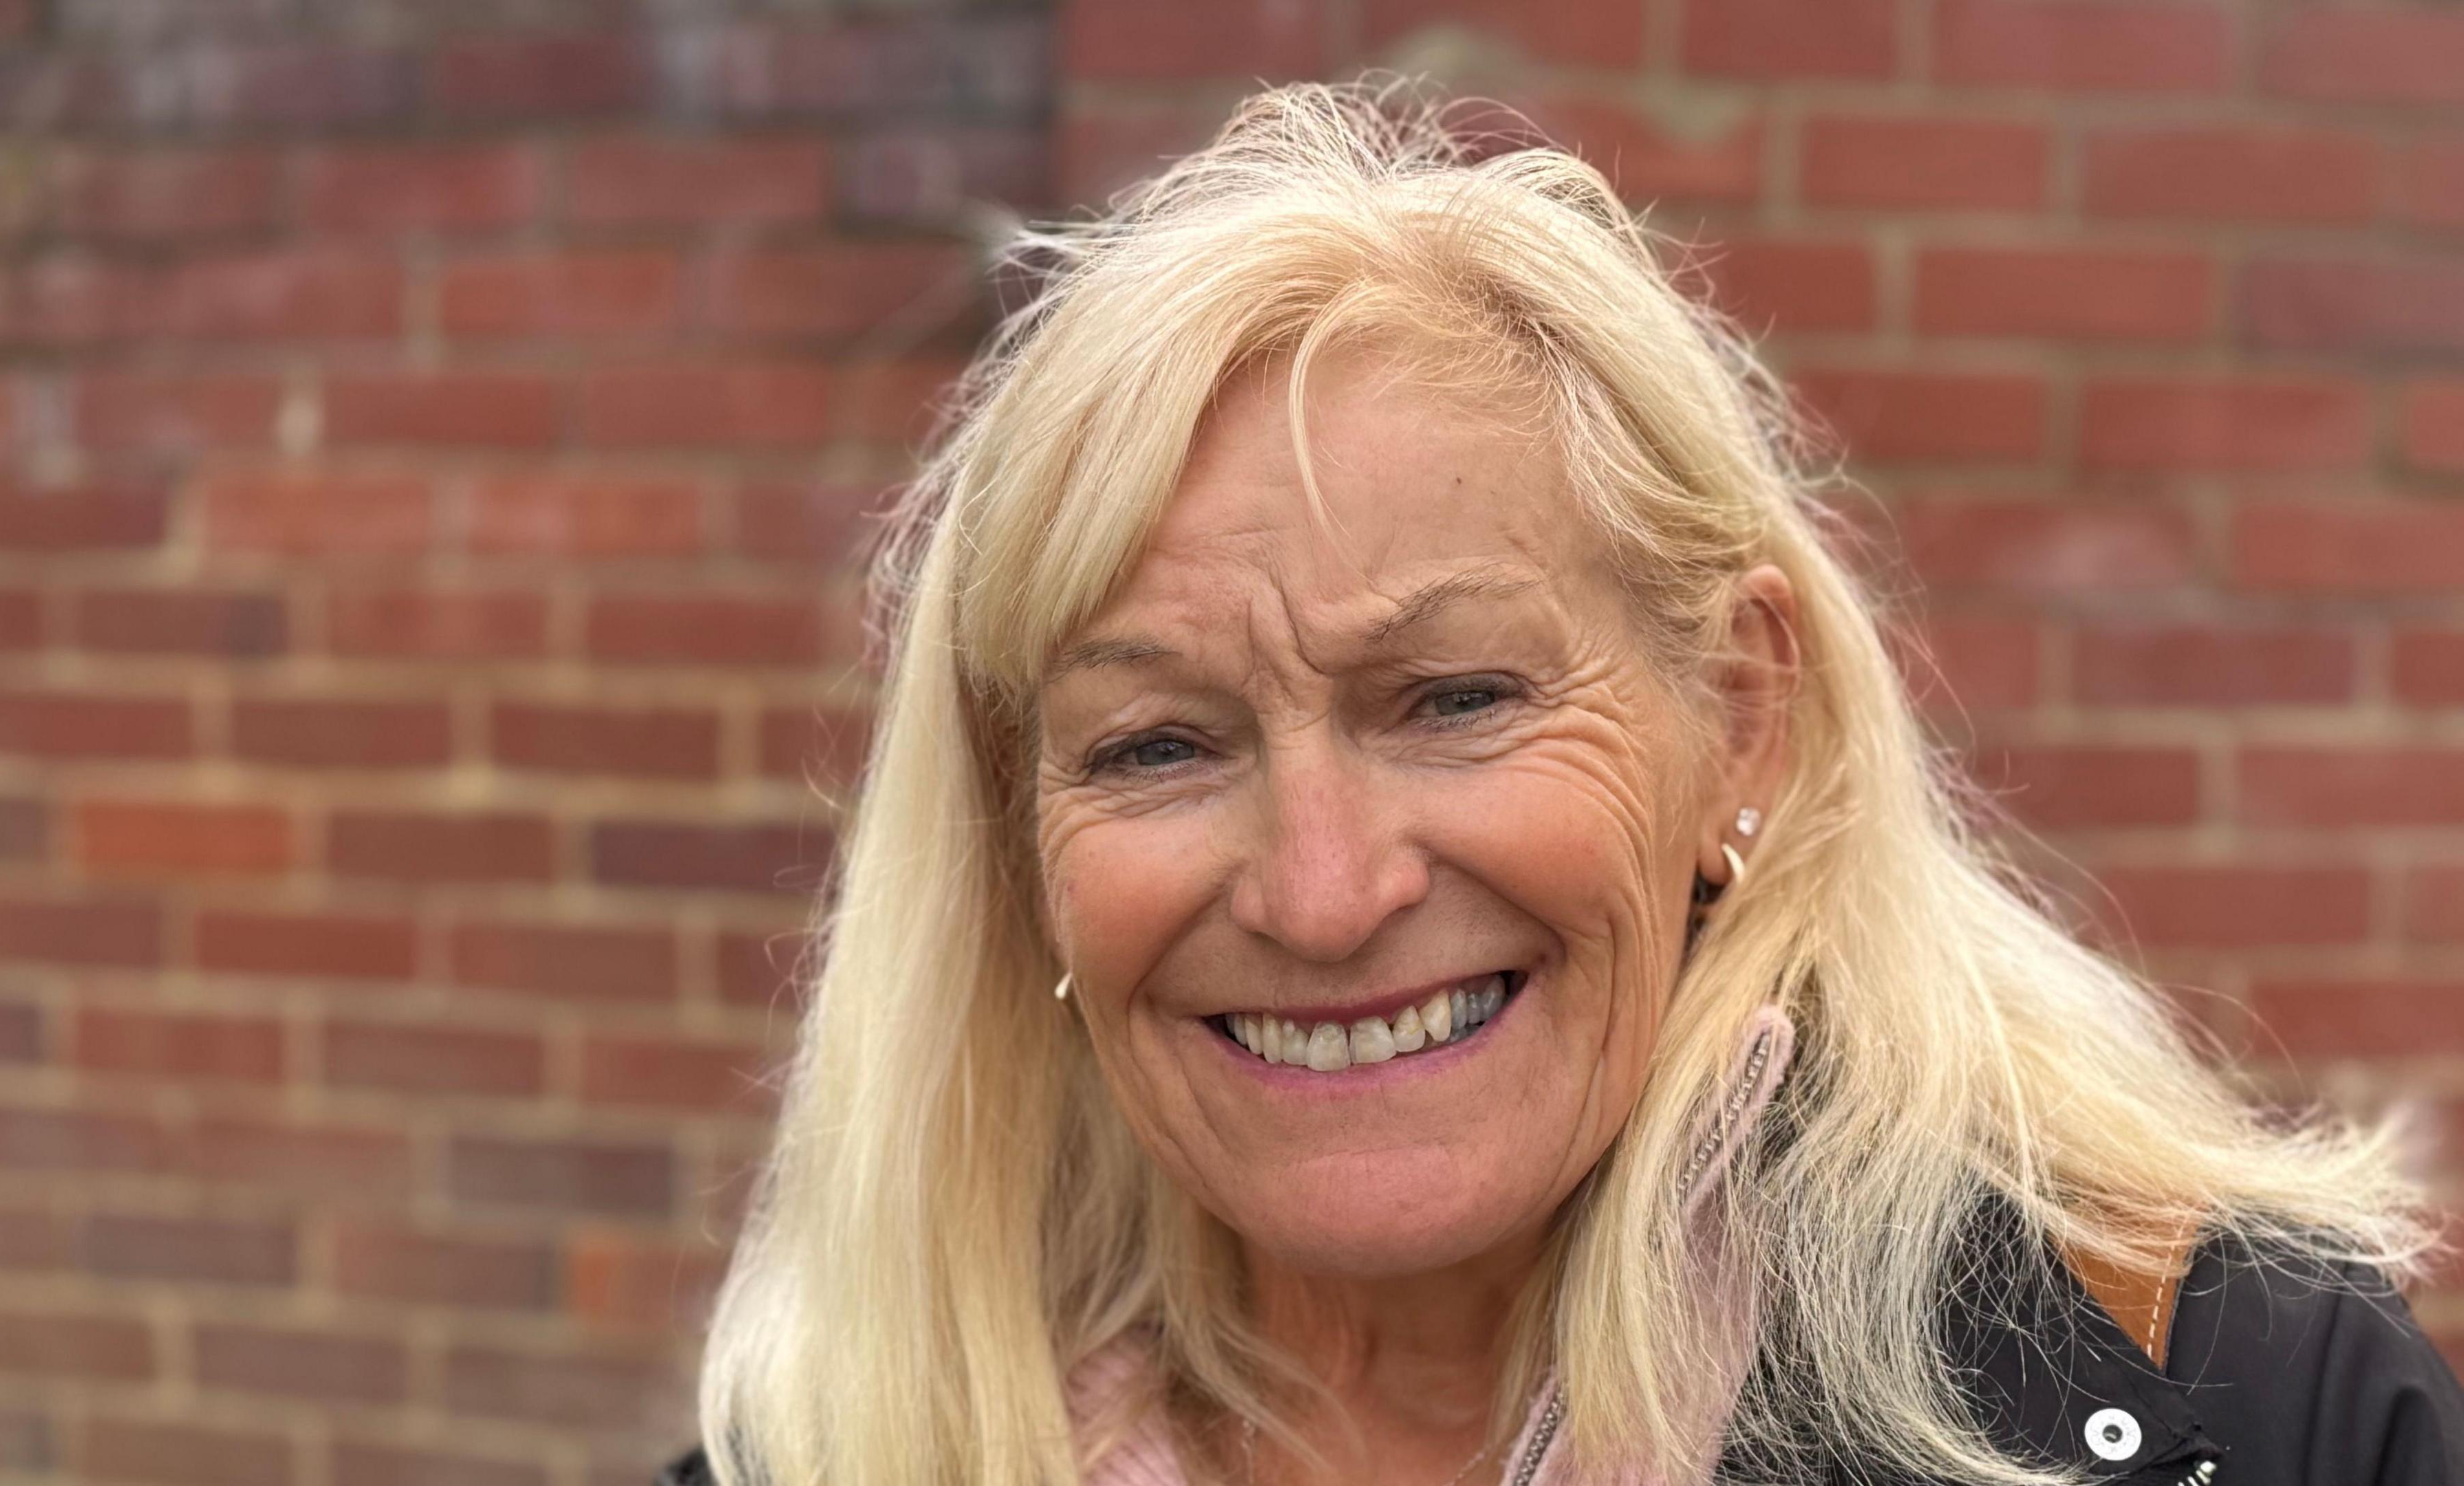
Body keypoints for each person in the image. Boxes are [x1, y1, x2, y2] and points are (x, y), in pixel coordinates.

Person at [667, 79, 2464, 1486]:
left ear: (1739, 719)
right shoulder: (829, 1448)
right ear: (1017, 842)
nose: (1322, 894)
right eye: (1158, 746)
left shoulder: (2248, 1409)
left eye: (1454, 699)